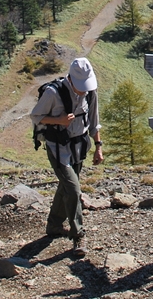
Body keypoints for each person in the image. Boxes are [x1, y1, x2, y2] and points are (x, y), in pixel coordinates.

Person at [30, 57, 104, 256]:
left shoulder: (90, 92)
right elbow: (35, 116)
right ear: (71, 79)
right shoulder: (53, 93)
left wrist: (98, 146)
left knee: (67, 185)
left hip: (79, 146)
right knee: (73, 188)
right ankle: (78, 235)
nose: (84, 90)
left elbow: (94, 121)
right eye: (81, 87)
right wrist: (59, 120)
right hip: (58, 147)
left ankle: (54, 225)